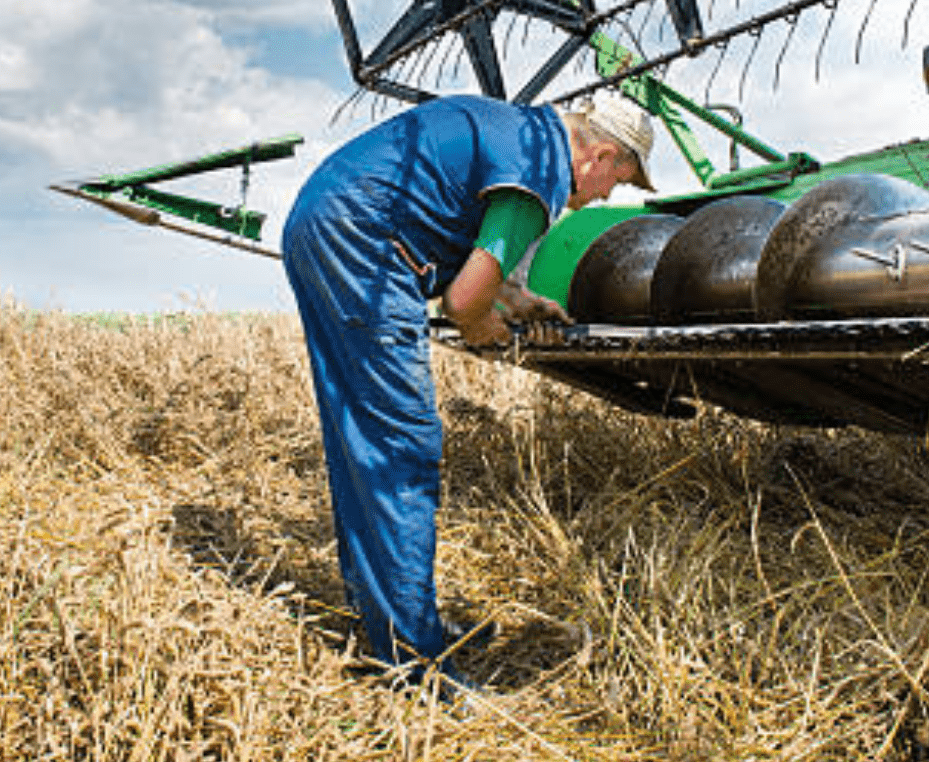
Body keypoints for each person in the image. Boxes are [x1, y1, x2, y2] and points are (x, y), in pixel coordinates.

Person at [280, 92, 656, 680]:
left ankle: (390, 621)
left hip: (327, 219)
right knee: (402, 445)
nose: (607, 195)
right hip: (365, 240)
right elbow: (463, 301)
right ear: (600, 156)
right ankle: (411, 661)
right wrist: (486, 330)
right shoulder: (540, 171)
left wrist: (516, 298)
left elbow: (468, 243)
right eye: (618, 180)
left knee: (364, 437)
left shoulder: (520, 135)